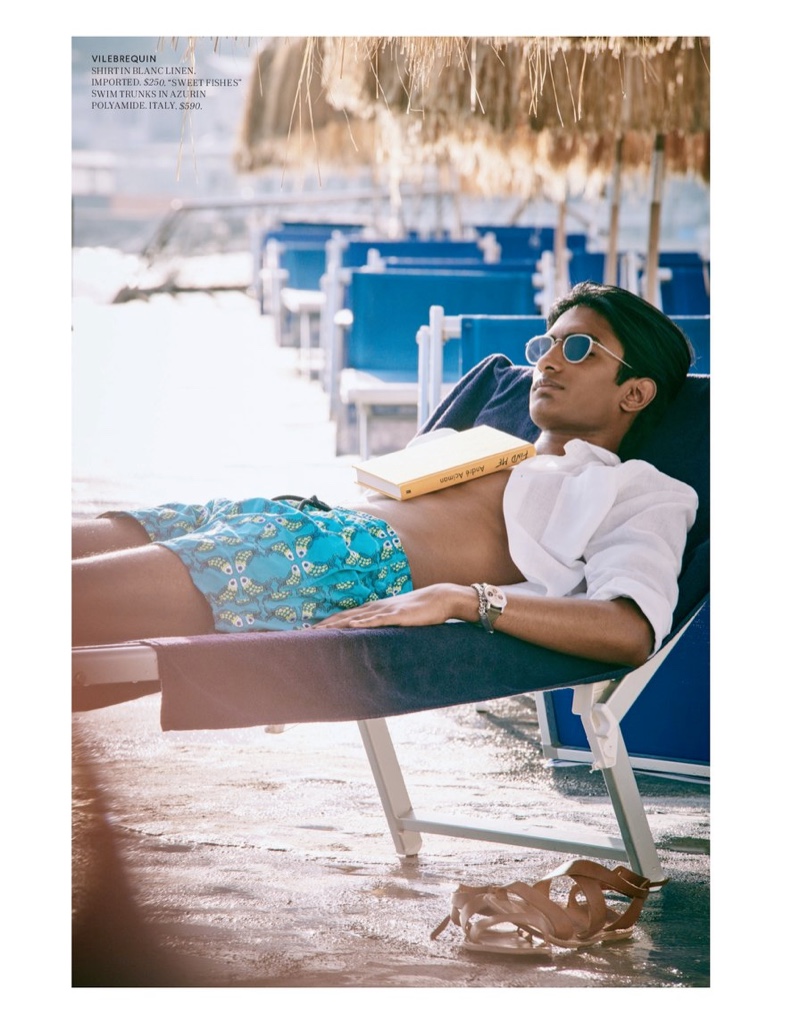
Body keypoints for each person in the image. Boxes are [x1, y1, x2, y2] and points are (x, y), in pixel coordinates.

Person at [72, 282, 698, 669]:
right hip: (296, 516)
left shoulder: (640, 489)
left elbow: (630, 629)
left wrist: (467, 599)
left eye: (579, 348)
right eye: (547, 344)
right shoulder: (490, 443)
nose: (548, 362)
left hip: (345, 562)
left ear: (635, 393)